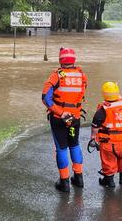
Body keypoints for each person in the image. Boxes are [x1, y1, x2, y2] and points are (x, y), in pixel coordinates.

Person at [42, 47, 87, 192]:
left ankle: (64, 182)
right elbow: (81, 94)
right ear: (74, 59)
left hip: (59, 119)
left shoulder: (56, 75)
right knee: (74, 145)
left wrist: (60, 112)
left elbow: (45, 98)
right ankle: (79, 178)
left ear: (60, 60)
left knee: (61, 148)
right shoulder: (81, 75)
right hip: (75, 118)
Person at [91, 82, 122, 187]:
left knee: (108, 162)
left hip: (109, 142)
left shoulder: (103, 109)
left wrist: (93, 138)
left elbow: (95, 126)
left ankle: (109, 181)